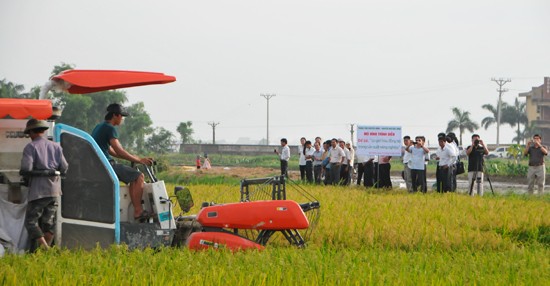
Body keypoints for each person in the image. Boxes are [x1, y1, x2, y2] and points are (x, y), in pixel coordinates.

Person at [92, 103, 153, 222]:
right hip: (106, 165)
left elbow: (110, 150)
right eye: (122, 116)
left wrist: (133, 158)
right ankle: (138, 211)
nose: (122, 119)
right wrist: (139, 160)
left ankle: (136, 210)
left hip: (99, 163)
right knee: (139, 176)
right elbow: (119, 150)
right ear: (115, 115)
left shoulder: (100, 127)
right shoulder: (110, 128)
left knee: (133, 177)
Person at [20, 119, 69, 249]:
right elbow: (64, 167)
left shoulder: (31, 147)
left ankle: (45, 249)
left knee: (31, 222)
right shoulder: (56, 146)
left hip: (38, 191)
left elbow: (26, 169)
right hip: (54, 191)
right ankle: (44, 250)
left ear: (31, 132)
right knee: (48, 222)